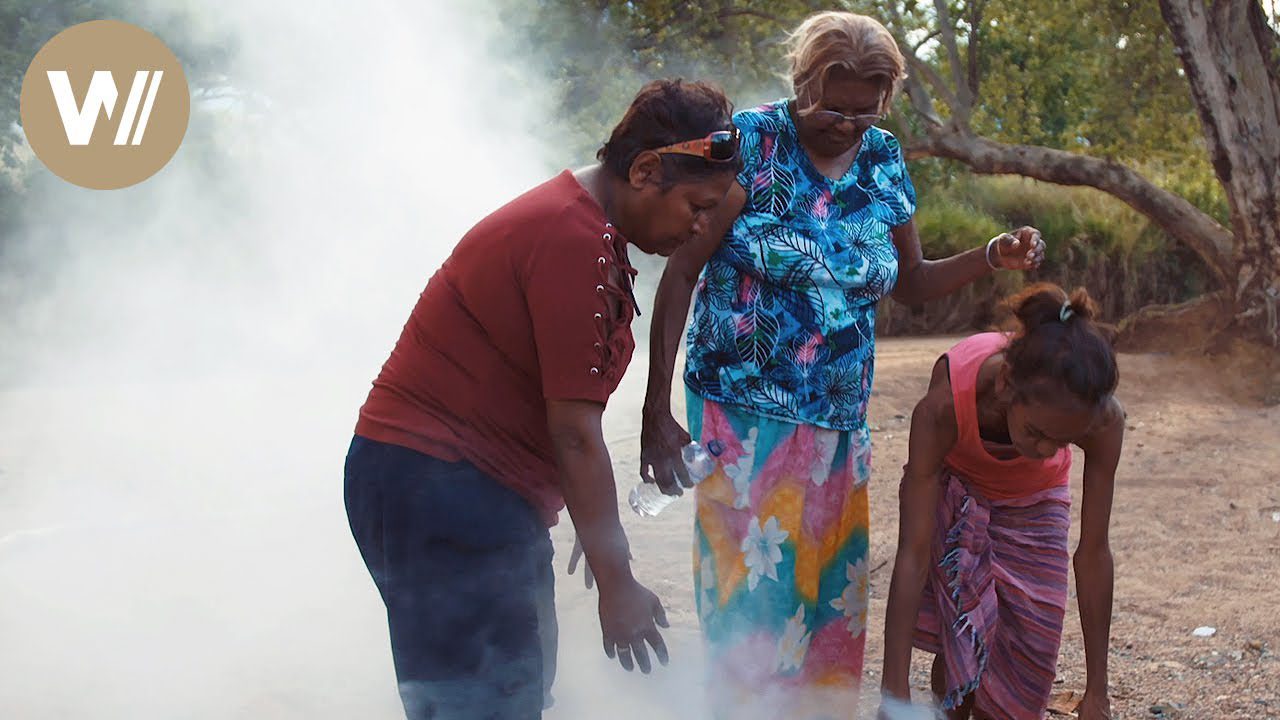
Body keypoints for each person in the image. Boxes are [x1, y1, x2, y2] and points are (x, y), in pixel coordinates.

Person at [638, 11, 1047, 719]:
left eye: (865, 109)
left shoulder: (882, 158)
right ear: (801, 82)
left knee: (828, 603)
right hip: (743, 413)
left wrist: (991, 257)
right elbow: (680, 276)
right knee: (753, 600)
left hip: (837, 420)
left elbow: (911, 284)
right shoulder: (753, 145)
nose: (846, 124)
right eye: (832, 106)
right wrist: (655, 407)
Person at [343, 79, 743, 720]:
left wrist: (595, 524)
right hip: (440, 489)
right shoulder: (571, 238)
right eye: (698, 206)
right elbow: (575, 434)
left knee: (506, 692)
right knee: (483, 700)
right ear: (646, 171)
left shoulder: (586, 227)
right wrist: (617, 586)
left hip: (457, 490)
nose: (702, 227)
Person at [879, 283, 1124, 720]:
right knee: (963, 634)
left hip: (1035, 500)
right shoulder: (944, 408)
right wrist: (893, 693)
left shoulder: (1101, 420)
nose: (1048, 449)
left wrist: (1097, 692)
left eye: (1062, 441)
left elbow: (1093, 554)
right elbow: (913, 553)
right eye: (1037, 433)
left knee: (1031, 644)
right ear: (1008, 385)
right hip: (958, 491)